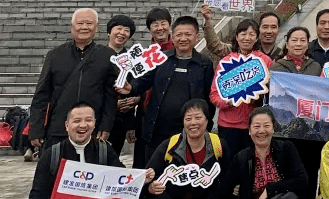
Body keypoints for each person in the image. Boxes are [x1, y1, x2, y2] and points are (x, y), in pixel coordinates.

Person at [125, 16, 215, 157]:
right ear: (172, 37)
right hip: (157, 130)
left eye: (188, 34)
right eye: (179, 35)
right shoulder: (161, 58)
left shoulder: (205, 64)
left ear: (197, 37)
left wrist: (205, 126)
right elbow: (144, 81)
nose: (183, 38)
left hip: (189, 132)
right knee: (154, 171)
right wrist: (130, 88)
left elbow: (209, 98)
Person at [30, 8, 116, 150]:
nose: (84, 27)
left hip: (92, 129)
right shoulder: (55, 55)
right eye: (80, 23)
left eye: (89, 23)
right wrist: (36, 129)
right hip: (58, 128)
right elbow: (41, 95)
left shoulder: (106, 55)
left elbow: (110, 96)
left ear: (97, 27)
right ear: (72, 26)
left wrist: (106, 126)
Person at [209, 19, 272, 156]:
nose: (247, 38)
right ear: (236, 37)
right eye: (243, 34)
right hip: (227, 125)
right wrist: (225, 103)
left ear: (257, 38)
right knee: (229, 166)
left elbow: (272, 93)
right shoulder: (226, 62)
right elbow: (214, 95)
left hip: (254, 125)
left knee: (251, 166)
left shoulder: (264, 61)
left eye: (251, 34)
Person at [105, 14, 139, 158]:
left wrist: (130, 126)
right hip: (99, 119)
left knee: (113, 159)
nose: (122, 33)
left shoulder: (133, 59)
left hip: (120, 120)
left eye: (126, 30)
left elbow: (133, 91)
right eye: (118, 28)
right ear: (109, 32)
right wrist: (113, 104)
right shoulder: (98, 55)